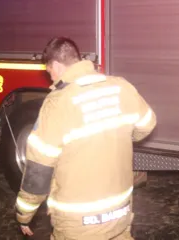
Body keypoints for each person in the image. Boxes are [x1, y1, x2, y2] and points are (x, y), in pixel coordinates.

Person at [14, 36, 157, 239]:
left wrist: (24, 213)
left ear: (56, 65)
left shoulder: (57, 103)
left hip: (78, 223)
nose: (51, 78)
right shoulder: (121, 87)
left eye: (49, 71)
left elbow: (39, 168)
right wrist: (116, 136)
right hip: (120, 212)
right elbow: (148, 123)